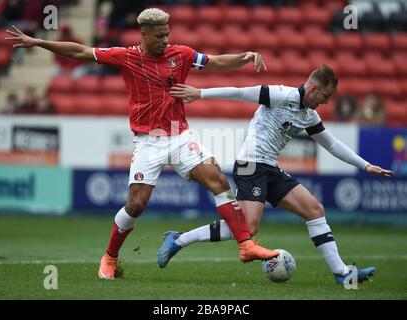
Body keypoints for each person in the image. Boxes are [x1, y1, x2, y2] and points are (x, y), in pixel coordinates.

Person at [6, 8, 279, 281]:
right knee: (136, 204)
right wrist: (39, 42)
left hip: (180, 136)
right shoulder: (127, 57)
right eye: (160, 36)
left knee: (218, 181)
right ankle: (110, 256)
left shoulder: (180, 54)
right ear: (145, 34)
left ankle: (245, 245)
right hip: (148, 142)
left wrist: (245, 56)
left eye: (167, 34)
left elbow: (216, 62)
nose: (165, 40)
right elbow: (80, 52)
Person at [162, 65, 393, 285]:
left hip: (270, 168)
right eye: (326, 95)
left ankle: (342, 273)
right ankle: (179, 239)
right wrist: (200, 93)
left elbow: (331, 145)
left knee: (315, 210)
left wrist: (365, 165)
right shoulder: (281, 94)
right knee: (247, 229)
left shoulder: (309, 115)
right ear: (313, 88)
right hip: (250, 165)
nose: (326, 101)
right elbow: (240, 94)